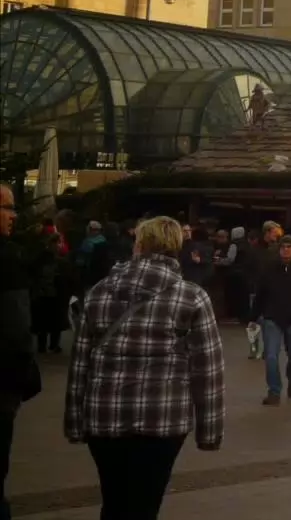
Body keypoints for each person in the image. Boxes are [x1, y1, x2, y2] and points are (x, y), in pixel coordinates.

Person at [64, 216, 224, 519]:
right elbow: (208, 369)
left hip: (104, 414)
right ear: (176, 246)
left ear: (138, 244)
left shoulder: (99, 291)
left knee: (114, 501)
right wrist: (209, 431)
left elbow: (80, 360)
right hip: (162, 416)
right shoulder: (191, 296)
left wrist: (74, 421)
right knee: (145, 504)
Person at [0, 184, 41, 520]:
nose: (13, 215)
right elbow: (15, 328)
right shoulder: (7, 257)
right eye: (7, 208)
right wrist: (21, 381)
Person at [253, 235, 291, 406]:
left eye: (289, 247)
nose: (286, 250)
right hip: (272, 317)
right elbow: (260, 293)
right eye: (283, 247)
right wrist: (254, 316)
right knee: (271, 356)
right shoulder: (269, 269)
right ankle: (274, 391)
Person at [30, 232, 70, 355]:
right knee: (54, 321)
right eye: (59, 243)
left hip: (44, 294)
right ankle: (52, 345)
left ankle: (44, 345)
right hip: (53, 294)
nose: (60, 245)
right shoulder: (58, 260)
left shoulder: (41, 258)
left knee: (44, 320)